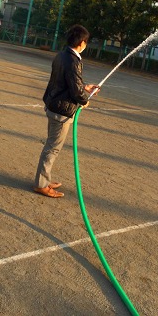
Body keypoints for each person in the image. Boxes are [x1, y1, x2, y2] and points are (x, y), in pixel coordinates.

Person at [34, 24, 99, 198]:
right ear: (82, 42)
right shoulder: (73, 60)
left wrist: (84, 87)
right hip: (61, 110)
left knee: (51, 145)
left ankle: (44, 180)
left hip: (54, 104)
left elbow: (68, 81)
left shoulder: (62, 55)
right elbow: (75, 90)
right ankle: (41, 184)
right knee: (53, 148)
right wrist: (83, 100)